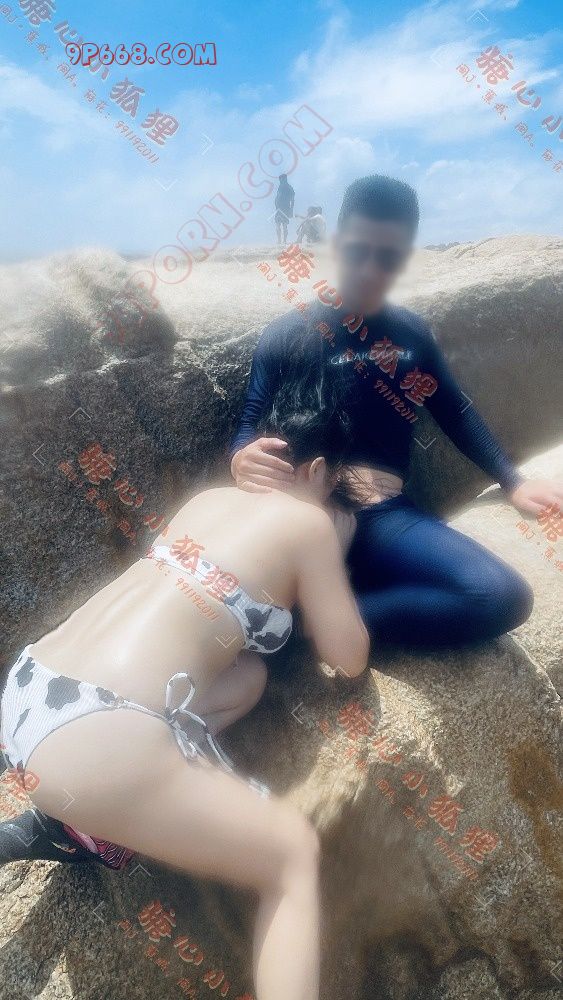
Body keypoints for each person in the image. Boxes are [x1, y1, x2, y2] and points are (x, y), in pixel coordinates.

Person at [0, 371, 368, 1000]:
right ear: (316, 470)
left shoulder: (208, 501)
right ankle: (82, 810)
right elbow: (349, 656)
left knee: (246, 679)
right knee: (291, 860)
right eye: (334, 482)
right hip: (99, 736)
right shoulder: (310, 524)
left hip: (30, 691)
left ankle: (72, 824)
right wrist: (338, 538)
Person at [230, 174, 563, 650]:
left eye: (387, 257)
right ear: (338, 244)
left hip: (381, 521)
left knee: (501, 596)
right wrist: (241, 457)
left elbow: (455, 412)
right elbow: (250, 420)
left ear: (404, 257)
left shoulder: (409, 335)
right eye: (358, 250)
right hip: (297, 518)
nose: (370, 268)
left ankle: (310, 628)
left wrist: (513, 481)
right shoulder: (285, 334)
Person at [274, 174, 295, 244]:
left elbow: (292, 199)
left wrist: (291, 210)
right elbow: (278, 197)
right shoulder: (284, 187)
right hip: (282, 209)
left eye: (281, 180)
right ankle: (281, 241)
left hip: (284, 208)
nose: (280, 181)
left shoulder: (287, 188)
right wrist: (276, 206)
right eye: (280, 180)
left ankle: (283, 241)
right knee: (280, 225)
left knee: (282, 225)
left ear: (285, 179)